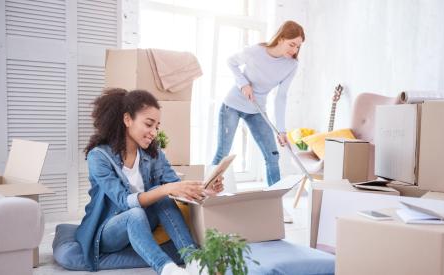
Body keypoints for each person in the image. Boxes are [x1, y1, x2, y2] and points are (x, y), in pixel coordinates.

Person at [75, 88, 224, 275]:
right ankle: (168, 269)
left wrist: (205, 189)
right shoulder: (99, 157)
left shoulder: (152, 153)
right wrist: (166, 189)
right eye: (148, 124)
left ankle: (193, 260)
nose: (154, 132)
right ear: (127, 119)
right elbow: (123, 201)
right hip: (109, 229)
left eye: (157, 127)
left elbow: (175, 184)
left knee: (162, 197)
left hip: (144, 222)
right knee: (140, 209)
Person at [212, 20, 305, 186]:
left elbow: (281, 97)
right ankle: (205, 196)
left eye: (298, 46)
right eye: (292, 44)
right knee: (222, 154)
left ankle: (274, 201)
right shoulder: (254, 51)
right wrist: (243, 84)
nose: (295, 50)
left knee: (272, 155)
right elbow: (231, 62)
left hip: (257, 110)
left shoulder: (291, 65)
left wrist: (282, 130)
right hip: (232, 105)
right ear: (281, 38)